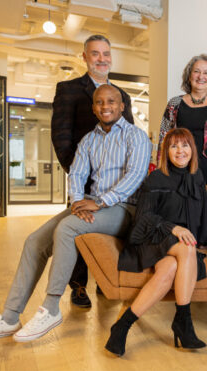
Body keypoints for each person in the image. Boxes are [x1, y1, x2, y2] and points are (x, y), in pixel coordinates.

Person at [0, 85, 150, 344]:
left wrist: (101, 202)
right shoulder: (89, 139)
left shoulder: (136, 137)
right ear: (93, 107)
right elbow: (77, 173)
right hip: (90, 204)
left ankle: (51, 308)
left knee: (67, 228)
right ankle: (9, 317)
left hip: (124, 208)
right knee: (34, 242)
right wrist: (76, 202)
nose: (105, 106)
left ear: (121, 106)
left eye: (111, 101)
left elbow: (136, 175)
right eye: (99, 102)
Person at [105, 128, 207, 356]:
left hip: (180, 244)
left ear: (193, 149)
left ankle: (122, 325)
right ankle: (183, 321)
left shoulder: (197, 177)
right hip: (152, 237)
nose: (180, 151)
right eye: (174, 146)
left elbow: (202, 214)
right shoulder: (156, 178)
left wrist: (203, 239)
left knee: (171, 267)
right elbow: (144, 218)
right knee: (187, 248)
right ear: (166, 152)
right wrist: (174, 227)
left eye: (185, 145)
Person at [51, 34, 134, 308]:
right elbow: (62, 138)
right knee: (78, 232)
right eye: (95, 53)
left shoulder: (124, 96)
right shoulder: (69, 89)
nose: (102, 59)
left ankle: (104, 279)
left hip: (114, 184)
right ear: (85, 57)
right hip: (83, 180)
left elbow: (129, 136)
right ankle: (78, 287)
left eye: (106, 53)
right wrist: (78, 179)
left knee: (107, 233)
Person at [157, 54, 207, 185]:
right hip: (180, 173)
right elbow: (163, 139)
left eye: (206, 73)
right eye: (196, 71)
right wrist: (162, 173)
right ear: (189, 76)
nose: (201, 76)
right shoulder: (175, 103)